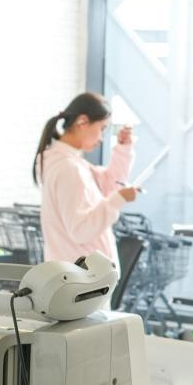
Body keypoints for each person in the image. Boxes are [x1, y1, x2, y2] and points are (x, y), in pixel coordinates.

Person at [32, 91, 140, 265]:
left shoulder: (68, 162)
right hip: (82, 275)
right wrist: (117, 200)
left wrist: (123, 148)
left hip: (77, 273)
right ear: (82, 122)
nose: (102, 138)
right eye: (102, 128)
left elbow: (108, 183)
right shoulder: (68, 168)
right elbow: (81, 230)